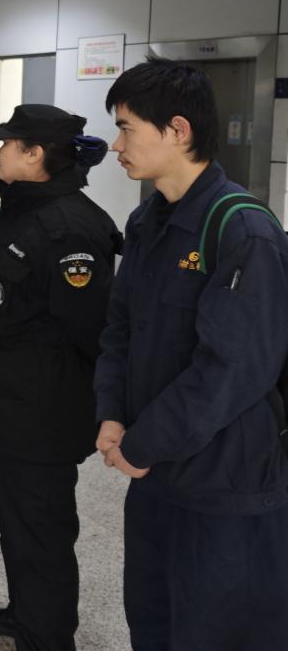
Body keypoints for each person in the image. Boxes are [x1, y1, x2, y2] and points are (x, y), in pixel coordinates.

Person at [94, 58, 288, 651]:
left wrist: (141, 444)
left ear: (178, 130)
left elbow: (231, 370)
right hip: (156, 475)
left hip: (224, 485)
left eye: (126, 129)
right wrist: (112, 415)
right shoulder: (146, 220)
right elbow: (120, 329)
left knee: (218, 632)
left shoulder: (243, 231)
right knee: (153, 620)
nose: (116, 145)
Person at [0, 104, 120, 650]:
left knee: (42, 530)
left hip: (41, 414)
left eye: (7, 144)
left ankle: (48, 635)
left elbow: (88, 329)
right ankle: (26, 613)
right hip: (10, 405)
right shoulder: (22, 209)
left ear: (35, 153)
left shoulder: (68, 228)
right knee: (18, 523)